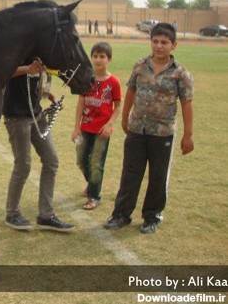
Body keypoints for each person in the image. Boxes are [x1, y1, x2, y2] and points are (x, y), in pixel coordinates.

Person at [104, 22, 194, 234]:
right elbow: (131, 92)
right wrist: (125, 117)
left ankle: (152, 217)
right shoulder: (140, 66)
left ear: (174, 45)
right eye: (155, 41)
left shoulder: (181, 74)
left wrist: (188, 135)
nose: (159, 46)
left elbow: (186, 104)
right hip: (137, 130)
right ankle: (121, 215)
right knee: (130, 174)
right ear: (150, 42)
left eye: (164, 42)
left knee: (158, 176)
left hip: (162, 133)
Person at [3, 59, 75, 232]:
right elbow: (3, 69)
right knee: (23, 165)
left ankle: (46, 215)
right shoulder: (19, 48)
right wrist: (26, 68)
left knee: (51, 160)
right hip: (17, 116)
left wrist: (50, 96)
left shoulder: (41, 54)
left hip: (36, 114)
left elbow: (36, 81)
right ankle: (12, 213)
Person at [72, 42, 122, 210]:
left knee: (96, 163)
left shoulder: (113, 82)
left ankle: (94, 196)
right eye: (95, 56)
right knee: (80, 159)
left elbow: (118, 106)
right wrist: (76, 127)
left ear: (109, 59)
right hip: (85, 127)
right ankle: (92, 184)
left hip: (102, 130)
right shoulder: (87, 78)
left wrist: (109, 124)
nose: (98, 60)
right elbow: (80, 103)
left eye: (102, 57)